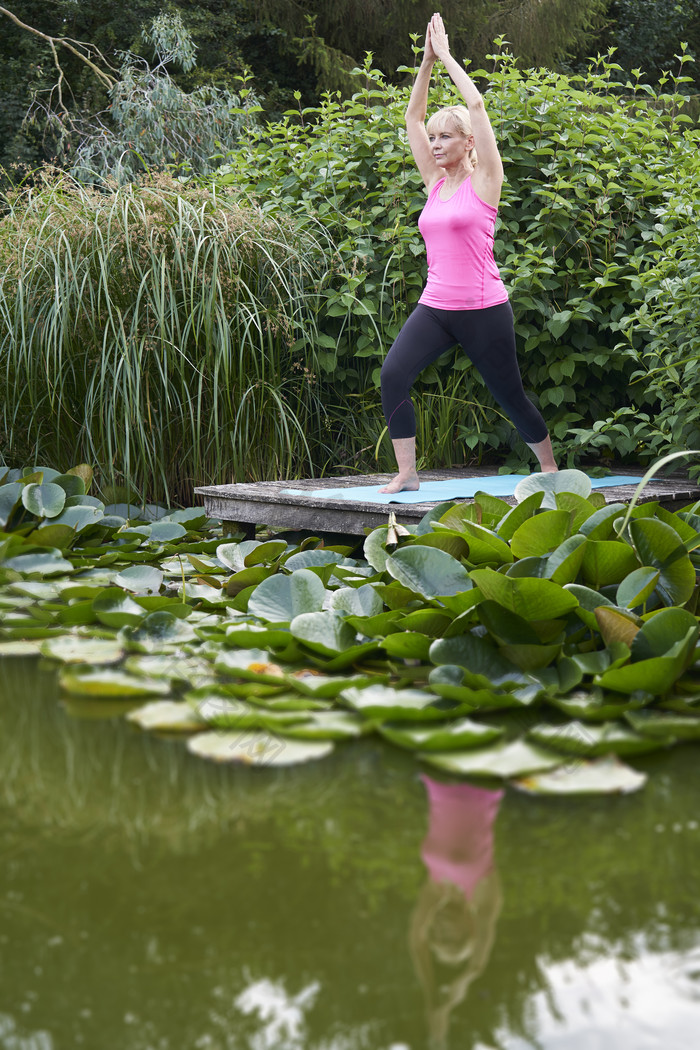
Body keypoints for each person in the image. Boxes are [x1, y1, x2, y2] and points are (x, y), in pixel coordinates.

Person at [379, 12, 557, 494]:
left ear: (468, 143)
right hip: (436, 307)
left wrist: (449, 58)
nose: (435, 144)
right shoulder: (435, 184)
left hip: (483, 309)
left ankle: (551, 474)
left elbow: (475, 103)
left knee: (510, 395)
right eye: (433, 139)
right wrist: (425, 62)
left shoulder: (485, 182)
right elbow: (412, 118)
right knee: (393, 375)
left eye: (445, 137)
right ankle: (408, 473)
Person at [409, 776, 504, 1050]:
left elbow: (416, 941)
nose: (439, 929)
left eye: (436, 935)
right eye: (449, 938)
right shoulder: (484, 893)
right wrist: (449, 1000)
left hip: (438, 777)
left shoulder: (434, 887)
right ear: (470, 929)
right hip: (480, 784)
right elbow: (476, 965)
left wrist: (429, 999)